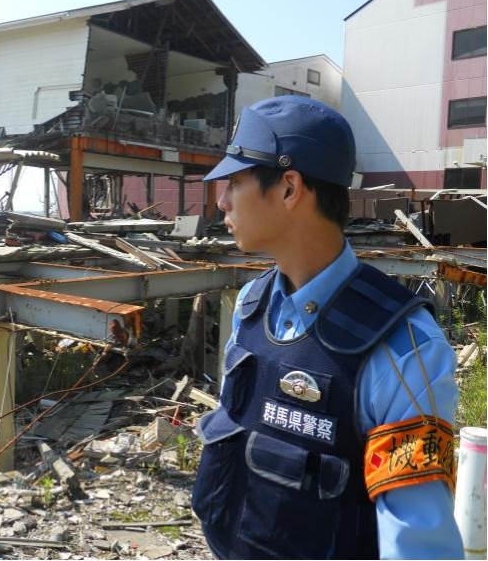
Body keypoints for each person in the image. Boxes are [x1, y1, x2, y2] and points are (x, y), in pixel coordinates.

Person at [192, 96, 463, 559]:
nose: (220, 202)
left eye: (235, 181)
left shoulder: (403, 348)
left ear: (290, 188)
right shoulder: (251, 307)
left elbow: (417, 543)